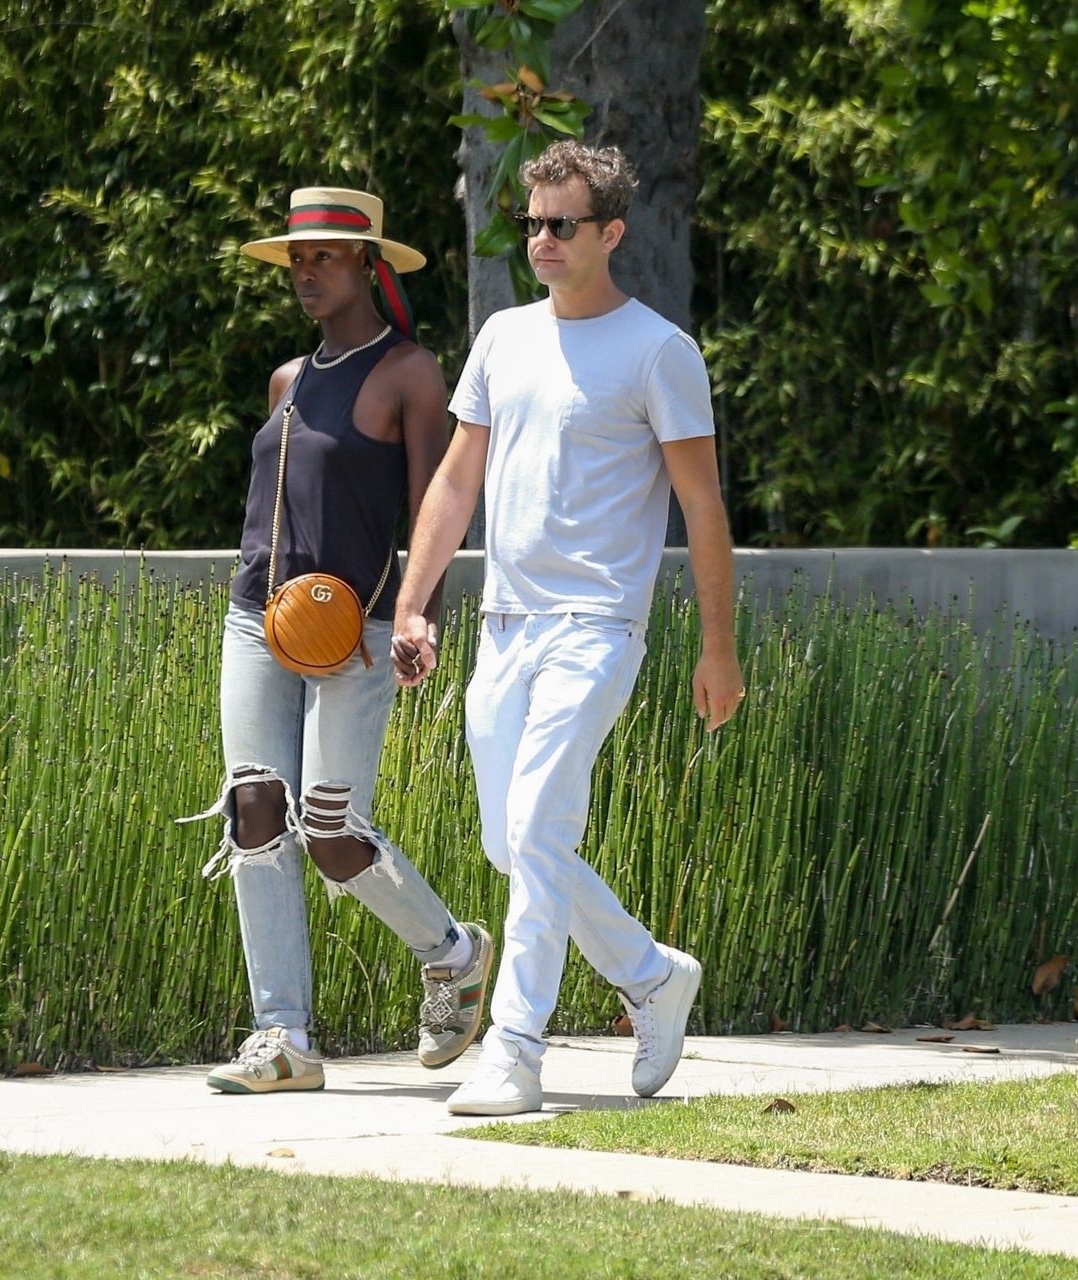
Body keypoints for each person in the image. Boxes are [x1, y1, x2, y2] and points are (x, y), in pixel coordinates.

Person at [390, 142, 745, 1116]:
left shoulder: (659, 352)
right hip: (504, 627)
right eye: (531, 224)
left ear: (611, 232)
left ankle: (516, 1051)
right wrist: (415, 601)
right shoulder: (503, 338)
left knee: (540, 826)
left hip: (597, 626)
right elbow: (457, 479)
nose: (540, 240)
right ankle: (650, 974)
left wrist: (718, 647)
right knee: (515, 844)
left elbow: (702, 507)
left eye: (561, 225)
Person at [183, 187, 493, 1094]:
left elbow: (435, 507)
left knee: (329, 832)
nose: (306, 271)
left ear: (366, 263)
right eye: (296, 257)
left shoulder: (410, 374)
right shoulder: (288, 380)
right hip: (258, 617)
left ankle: (452, 953)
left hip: (360, 629)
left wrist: (420, 615)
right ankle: (282, 1037)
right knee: (253, 808)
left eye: (323, 255)